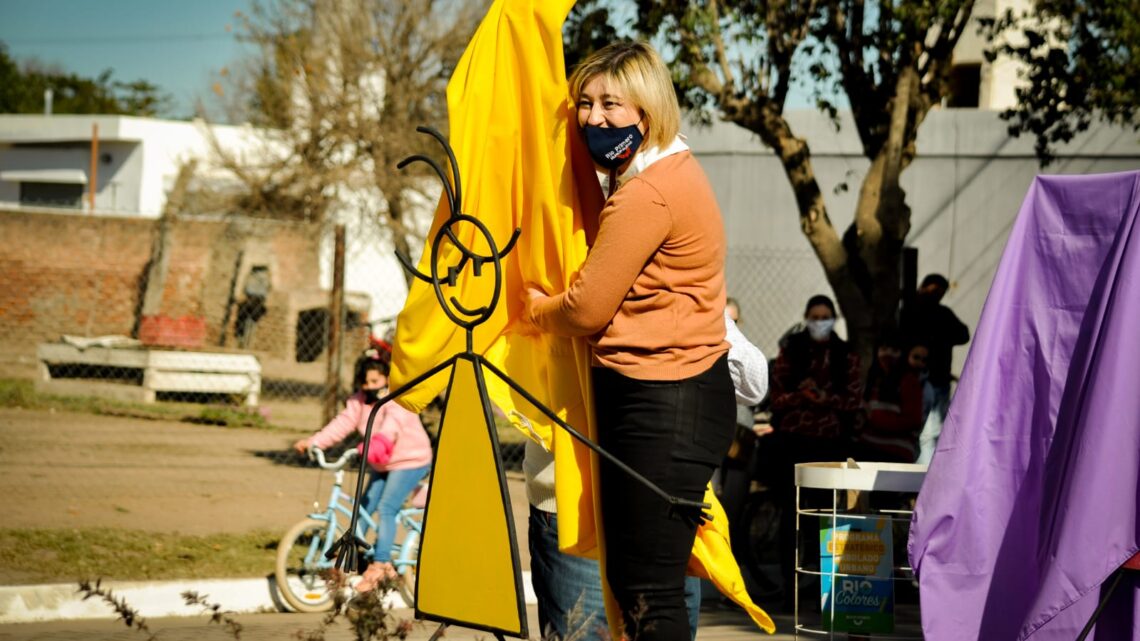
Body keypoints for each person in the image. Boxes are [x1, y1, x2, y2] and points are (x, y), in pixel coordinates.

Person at [521, 40, 736, 641]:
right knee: (643, 583)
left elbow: (586, 307)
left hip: (664, 402)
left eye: (611, 103)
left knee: (648, 591)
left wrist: (534, 308)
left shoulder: (647, 193)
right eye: (585, 103)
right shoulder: (667, 172)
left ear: (647, 108)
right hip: (672, 396)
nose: (594, 118)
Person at [524, 308, 767, 641]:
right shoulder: (563, 285)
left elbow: (753, 384)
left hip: (667, 510)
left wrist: (694, 315)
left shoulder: (681, 297)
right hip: (576, 509)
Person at [292, 351, 433, 593]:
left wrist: (375, 444)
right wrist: (314, 442)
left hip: (411, 460)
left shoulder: (396, 398)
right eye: (365, 383)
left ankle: (381, 565)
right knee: (364, 506)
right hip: (382, 463)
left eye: (375, 381)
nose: (369, 387)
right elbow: (342, 423)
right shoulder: (359, 401)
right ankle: (350, 558)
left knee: (386, 508)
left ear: (386, 378)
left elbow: (391, 427)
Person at [766, 294, 862, 608]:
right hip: (792, 442)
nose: (820, 322)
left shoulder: (845, 354)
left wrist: (824, 399)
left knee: (824, 516)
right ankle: (788, 586)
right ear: (806, 318)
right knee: (790, 514)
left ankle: (826, 590)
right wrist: (802, 396)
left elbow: (853, 400)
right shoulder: (791, 350)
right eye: (815, 317)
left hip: (829, 445)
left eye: (825, 317)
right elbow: (777, 397)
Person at [899, 274, 969, 463]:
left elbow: (964, 335)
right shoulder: (913, 312)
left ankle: (923, 473)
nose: (937, 295)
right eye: (934, 290)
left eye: (940, 292)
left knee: (932, 433)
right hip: (921, 380)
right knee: (926, 433)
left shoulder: (942, 314)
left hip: (939, 380)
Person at [852, 331, 925, 463]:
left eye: (894, 350)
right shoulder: (872, 380)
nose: (888, 354)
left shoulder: (908, 381)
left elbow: (913, 421)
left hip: (895, 452)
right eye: (884, 349)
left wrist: (874, 418)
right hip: (868, 448)